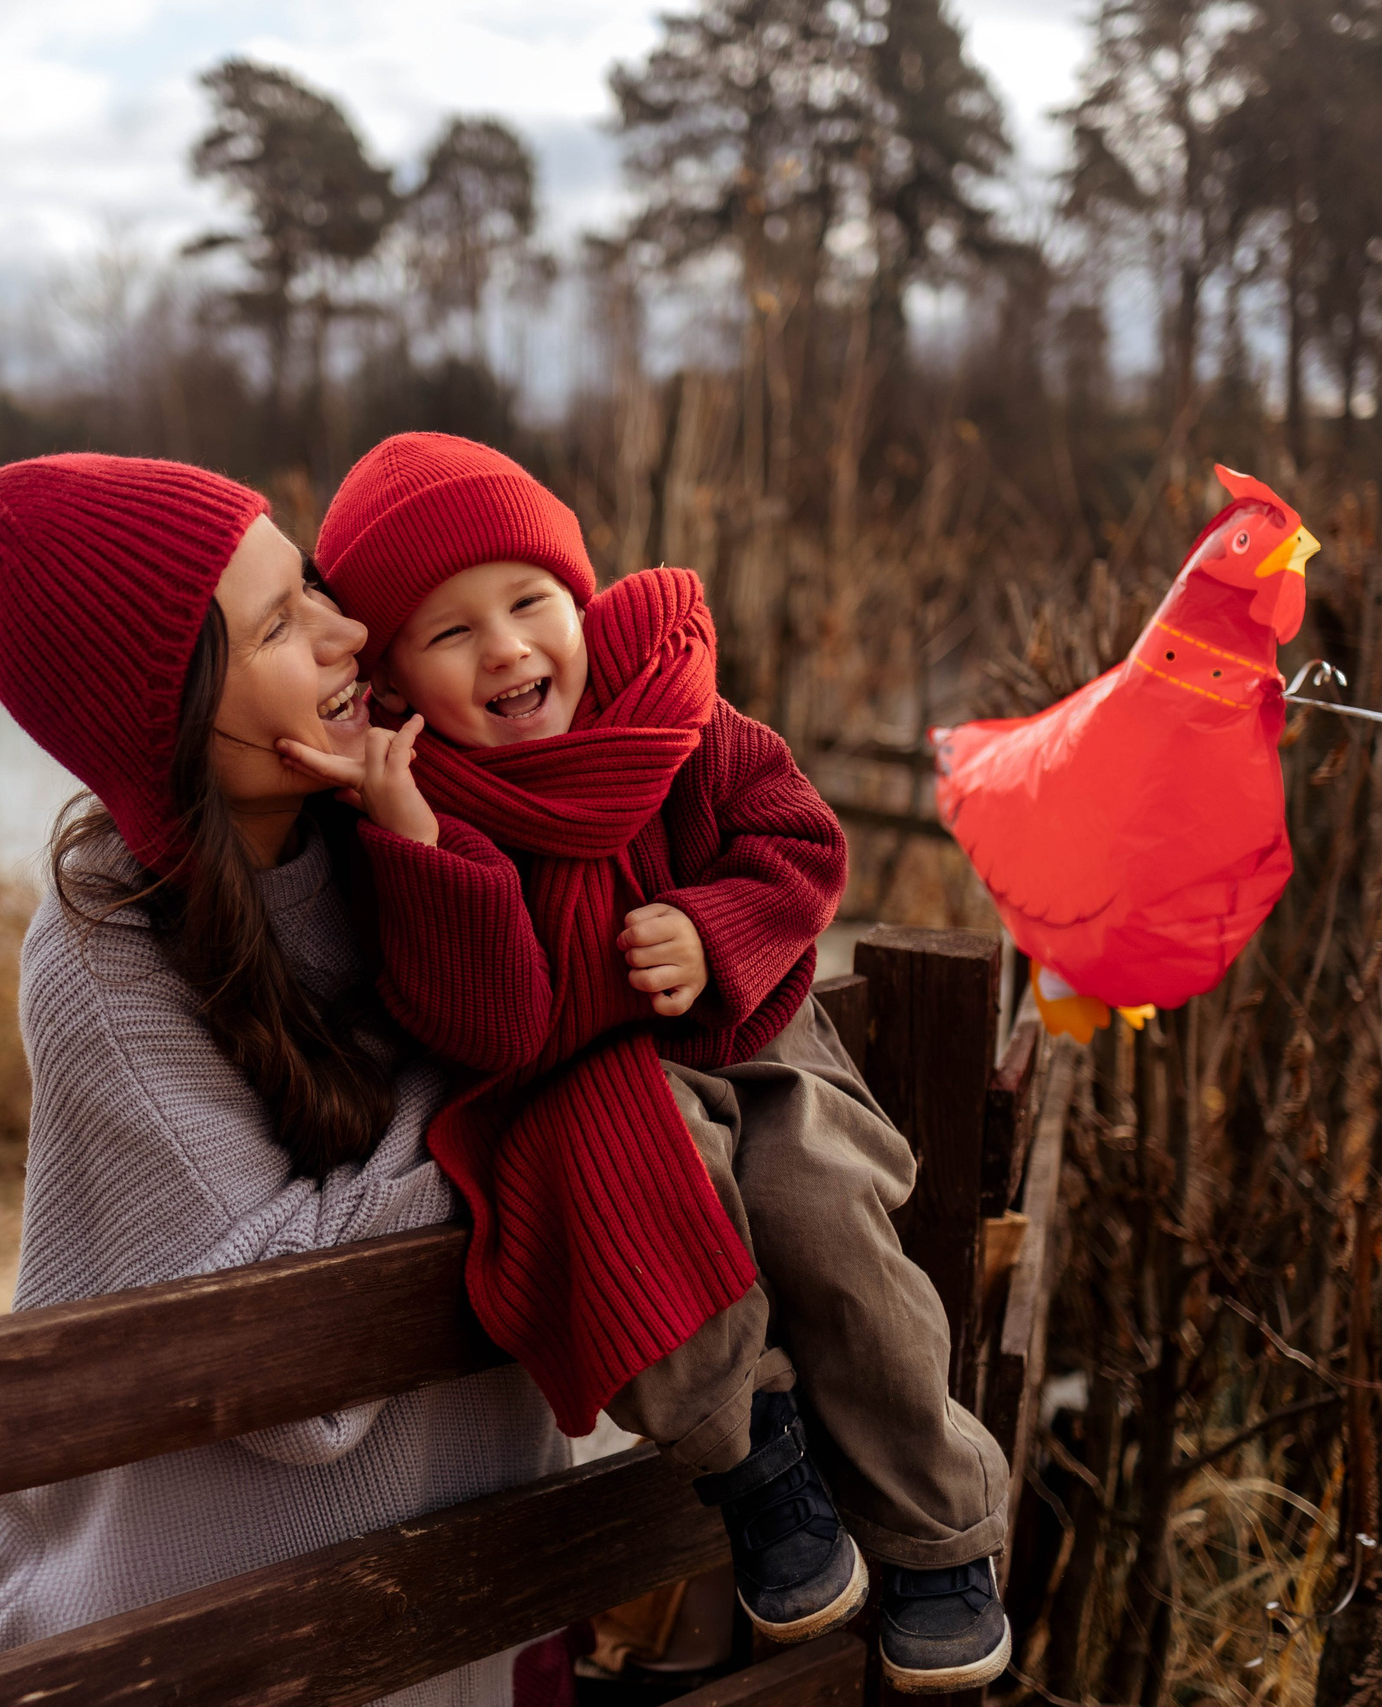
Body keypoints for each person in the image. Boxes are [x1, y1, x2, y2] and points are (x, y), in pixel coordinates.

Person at [289, 432, 1013, 1692]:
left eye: (529, 602)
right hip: (583, 1080)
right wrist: (415, 842)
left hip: (759, 1041)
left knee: (823, 1211)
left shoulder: (677, 717)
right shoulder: (427, 808)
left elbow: (798, 841)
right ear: (394, 675)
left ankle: (938, 1527)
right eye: (450, 634)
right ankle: (756, 1463)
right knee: (643, 1194)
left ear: (579, 595)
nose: (510, 650)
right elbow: (489, 1029)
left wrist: (719, 923)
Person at [0, 452, 568, 1703]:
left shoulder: (427, 816)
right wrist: (515, 1042)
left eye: (316, 587)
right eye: (282, 624)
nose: (351, 633)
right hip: (185, 1649)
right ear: (167, 713)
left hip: (476, 1606)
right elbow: (294, 1385)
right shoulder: (105, 951)